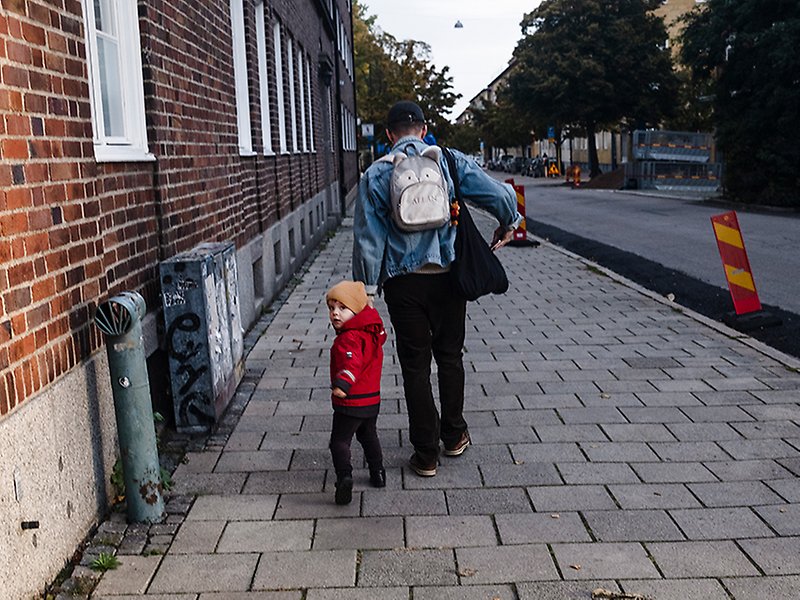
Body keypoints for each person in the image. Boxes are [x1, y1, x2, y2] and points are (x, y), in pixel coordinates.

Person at [353, 100, 522, 477]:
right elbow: (496, 194)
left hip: (403, 284)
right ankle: (454, 434)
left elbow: (367, 239)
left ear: (388, 134)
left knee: (415, 366)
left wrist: (365, 290)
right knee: (450, 356)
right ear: (424, 129)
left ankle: (425, 454)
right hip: (448, 277)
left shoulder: (377, 174)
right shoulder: (447, 159)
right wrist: (510, 219)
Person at [326, 280, 388, 504]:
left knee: (339, 441)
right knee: (368, 434)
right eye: (332, 308)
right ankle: (378, 472)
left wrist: (343, 384)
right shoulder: (371, 332)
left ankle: (344, 478)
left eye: (342, 308)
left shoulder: (349, 338)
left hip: (351, 401)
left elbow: (351, 363)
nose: (335, 314)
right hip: (372, 400)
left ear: (357, 310)